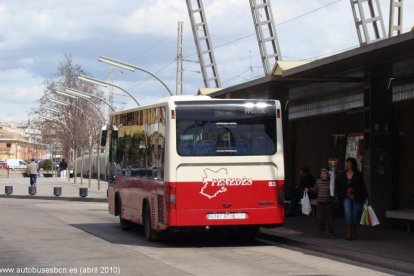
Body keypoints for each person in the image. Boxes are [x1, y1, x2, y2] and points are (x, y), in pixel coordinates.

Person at [339, 157, 368, 240]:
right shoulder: (343, 175)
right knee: (348, 213)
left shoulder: (358, 174)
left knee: (355, 215)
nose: (346, 164)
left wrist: (364, 196)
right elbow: (340, 186)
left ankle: (353, 232)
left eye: (348, 163)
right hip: (346, 197)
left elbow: (362, 186)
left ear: (352, 164)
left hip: (356, 196)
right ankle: (348, 233)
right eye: (346, 163)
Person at [306, 168, 336, 238]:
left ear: (328, 175)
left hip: (328, 203)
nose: (323, 175)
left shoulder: (330, 182)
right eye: (322, 174)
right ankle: (323, 232)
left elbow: (334, 191)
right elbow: (314, 189)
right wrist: (309, 189)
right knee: (320, 219)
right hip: (320, 203)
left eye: (324, 174)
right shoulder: (318, 182)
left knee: (330, 220)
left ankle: (332, 233)